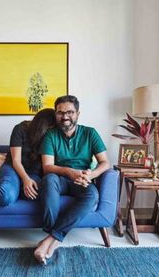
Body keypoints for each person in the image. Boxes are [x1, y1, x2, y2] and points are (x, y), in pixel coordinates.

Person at [34, 95, 110, 264]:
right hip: (59, 180)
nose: (65, 116)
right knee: (48, 179)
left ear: (77, 114)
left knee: (92, 196)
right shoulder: (51, 136)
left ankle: (49, 240)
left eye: (70, 112)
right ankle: (53, 239)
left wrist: (90, 175)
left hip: (82, 180)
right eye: (60, 113)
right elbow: (47, 167)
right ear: (56, 115)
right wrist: (70, 172)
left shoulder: (90, 133)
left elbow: (105, 163)